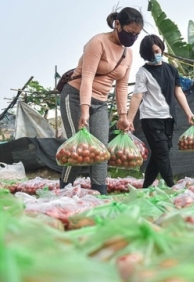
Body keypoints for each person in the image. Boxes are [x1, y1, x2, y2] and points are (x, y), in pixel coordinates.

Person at [59, 7, 144, 195]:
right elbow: (87, 77)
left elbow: (121, 86)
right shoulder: (98, 43)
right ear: (118, 24)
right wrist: (84, 111)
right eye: (130, 33)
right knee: (79, 149)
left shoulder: (128, 54)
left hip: (101, 103)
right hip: (75, 97)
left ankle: (100, 191)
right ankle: (64, 189)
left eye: (136, 35)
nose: (132, 38)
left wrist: (123, 116)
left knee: (101, 150)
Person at [127, 34, 194, 188]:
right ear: (145, 56)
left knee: (160, 153)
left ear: (162, 49)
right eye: (150, 54)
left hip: (168, 118)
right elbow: (137, 96)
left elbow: (178, 92)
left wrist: (189, 113)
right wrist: (129, 119)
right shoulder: (143, 72)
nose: (155, 56)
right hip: (150, 118)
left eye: (157, 51)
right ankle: (172, 186)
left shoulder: (171, 70)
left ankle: (145, 188)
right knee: (162, 153)